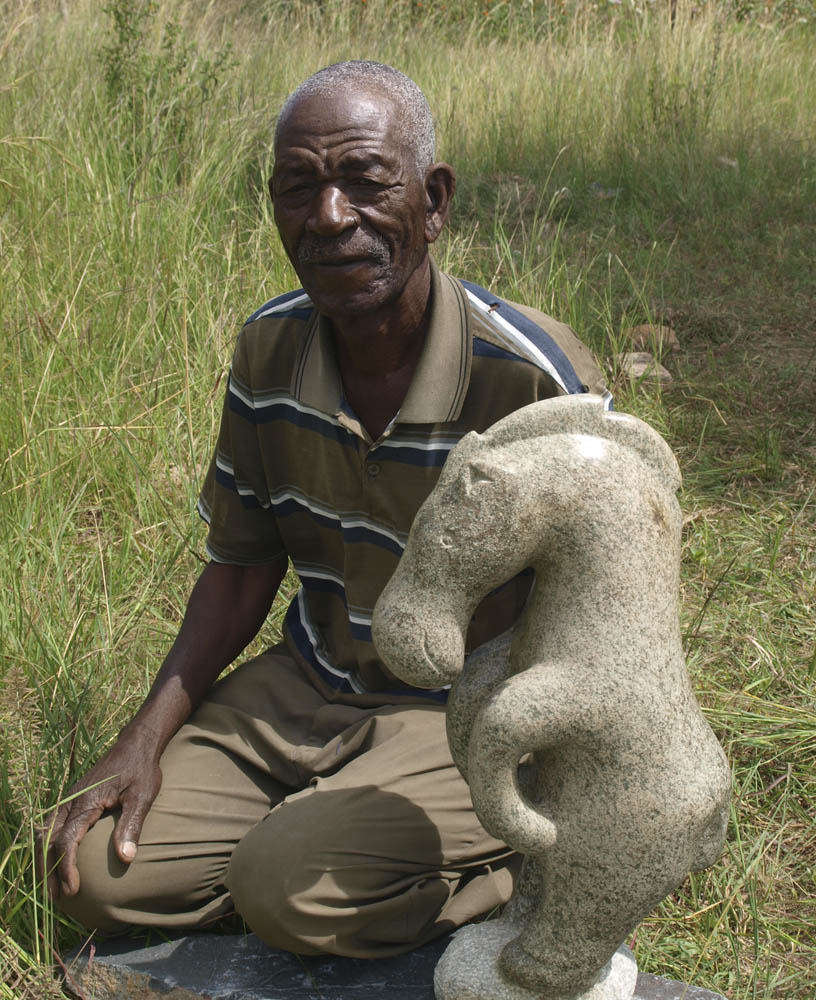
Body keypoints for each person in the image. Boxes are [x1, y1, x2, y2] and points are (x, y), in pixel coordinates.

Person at [41, 61, 609, 958]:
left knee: (286, 891)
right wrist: (141, 739)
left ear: (434, 202)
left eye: (364, 181)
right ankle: (319, 848)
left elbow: (611, 608)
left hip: (468, 715)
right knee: (90, 872)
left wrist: (553, 756)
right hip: (311, 684)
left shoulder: (530, 376)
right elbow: (239, 569)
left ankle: (506, 865)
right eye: (297, 187)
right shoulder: (270, 347)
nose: (330, 216)